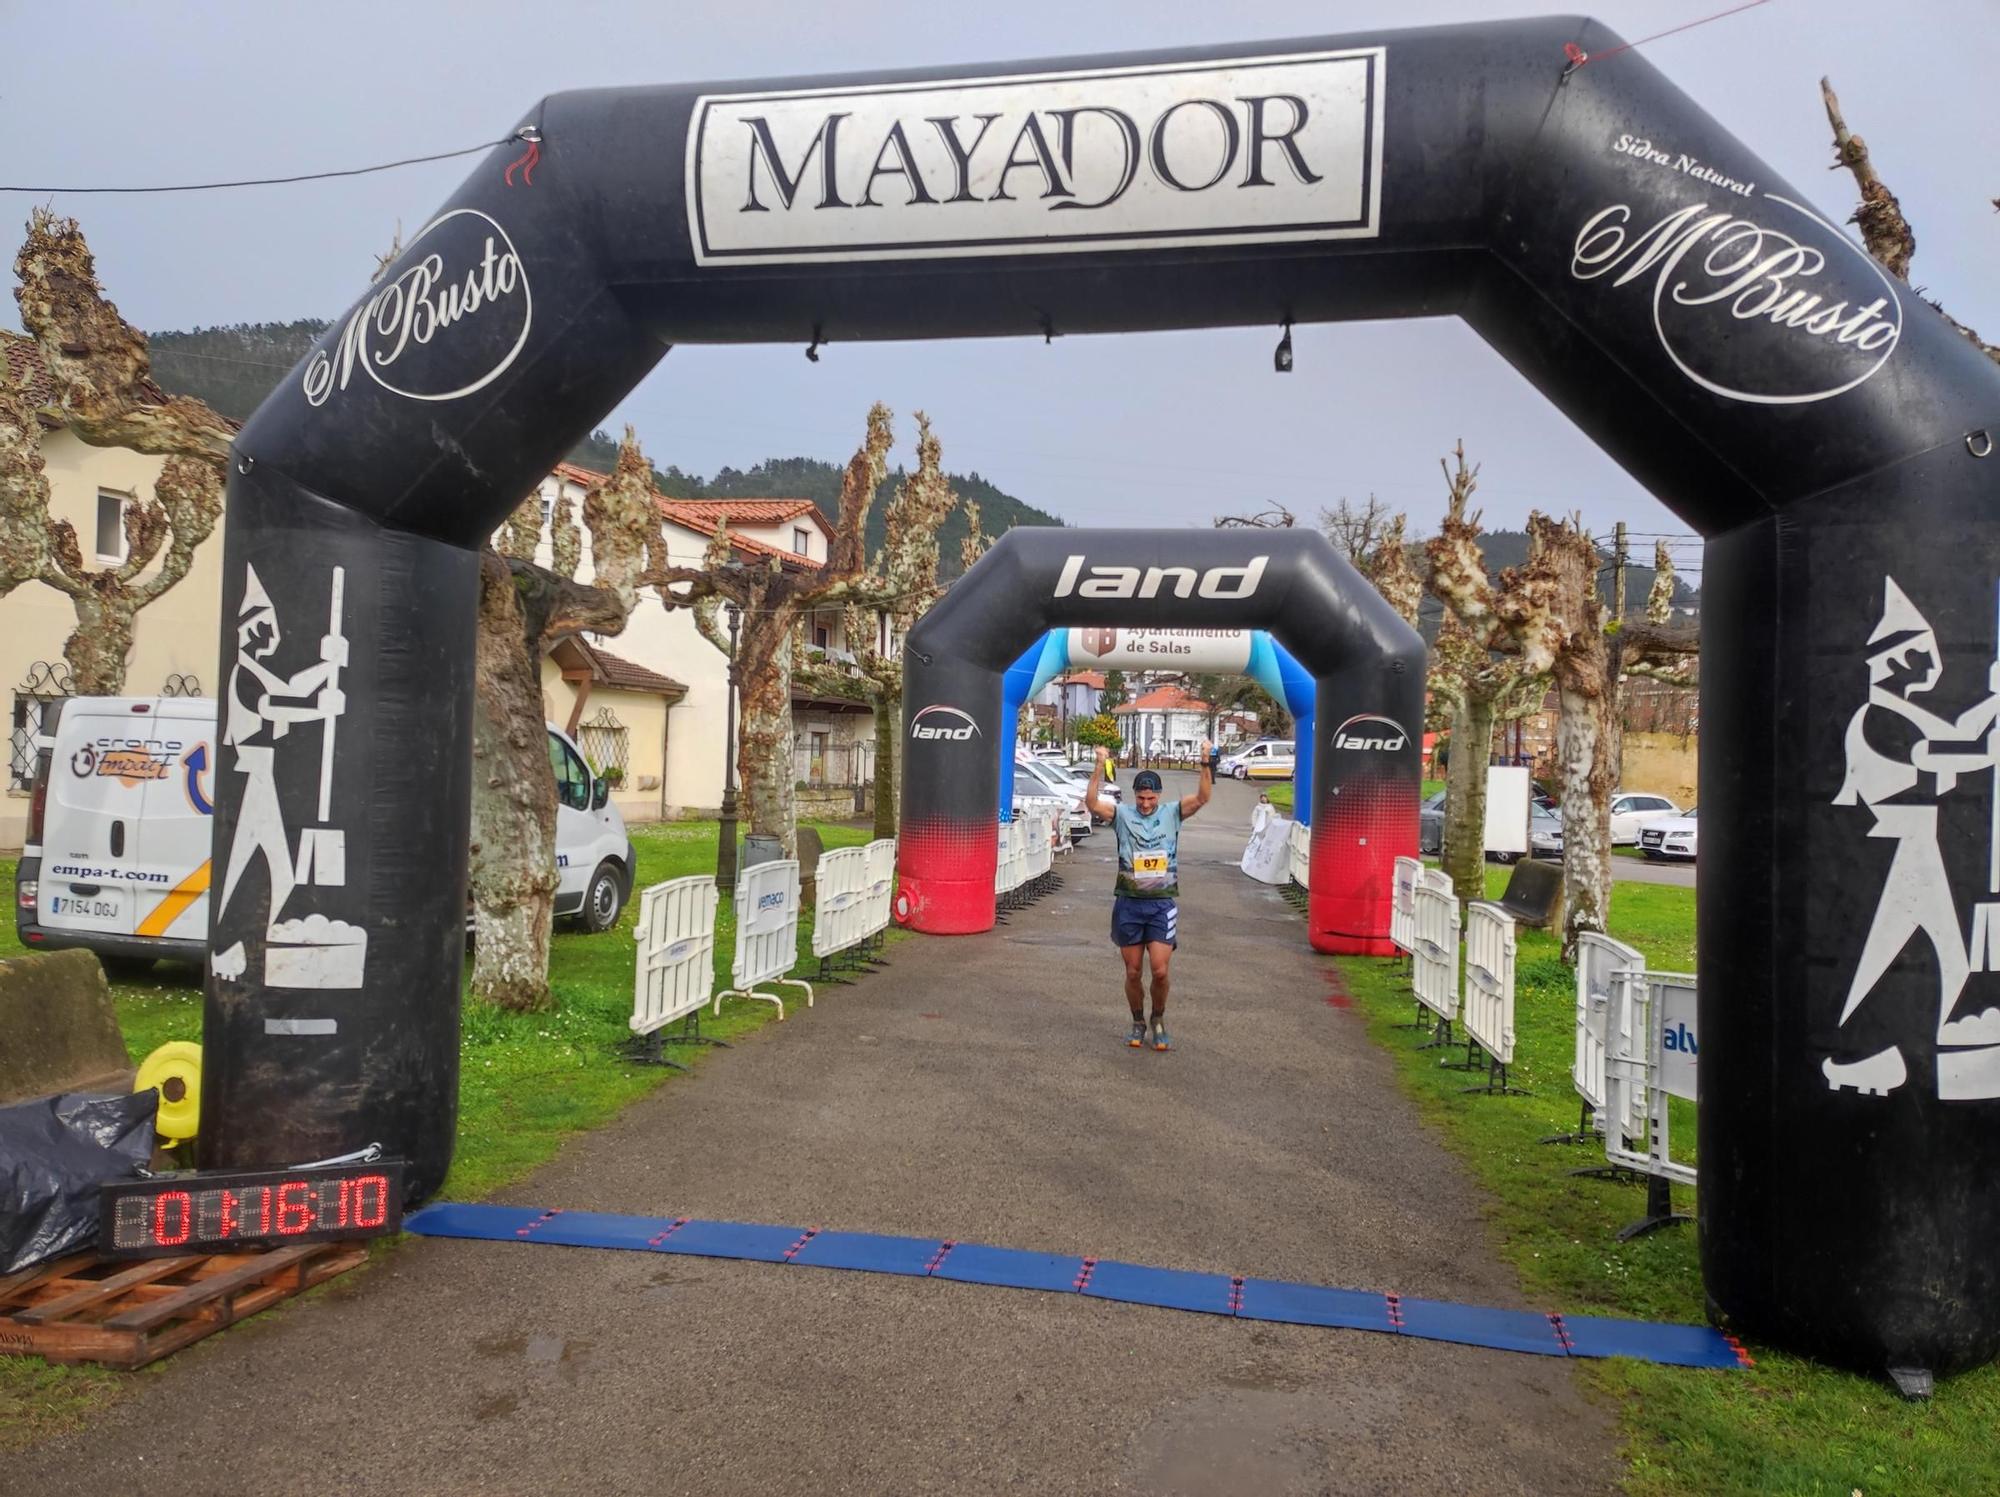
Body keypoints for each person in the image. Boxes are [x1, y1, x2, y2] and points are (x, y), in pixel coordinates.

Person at [1083, 739, 1217, 1051]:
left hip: (1161, 904)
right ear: (1135, 796)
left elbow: (1203, 797)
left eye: (1150, 797)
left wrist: (1205, 759)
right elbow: (1091, 803)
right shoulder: (1122, 816)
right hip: (1129, 903)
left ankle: (1158, 1018)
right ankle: (1137, 1020)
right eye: (1141, 798)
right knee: (1132, 972)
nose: (1145, 804)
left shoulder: (1172, 813)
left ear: (1159, 795)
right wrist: (1098, 765)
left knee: (1159, 969)